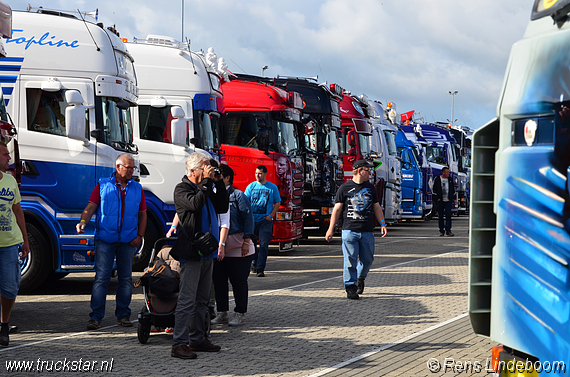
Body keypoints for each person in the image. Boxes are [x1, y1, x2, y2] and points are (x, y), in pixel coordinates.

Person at [76, 154, 147, 330]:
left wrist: (140, 235)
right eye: (128, 168)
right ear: (118, 167)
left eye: (133, 168)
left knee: (126, 279)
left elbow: (143, 213)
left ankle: (123, 315)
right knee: (102, 278)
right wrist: (83, 221)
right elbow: (90, 206)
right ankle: (96, 317)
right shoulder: (103, 185)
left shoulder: (137, 188)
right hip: (105, 240)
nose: (131, 171)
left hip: (128, 242)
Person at [169, 153, 229, 360]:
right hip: (192, 253)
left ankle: (197, 338)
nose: (209, 170)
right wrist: (205, 183)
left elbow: (222, 206)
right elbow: (195, 205)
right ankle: (179, 343)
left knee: (202, 300)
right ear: (194, 170)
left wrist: (218, 183)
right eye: (205, 167)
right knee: (187, 300)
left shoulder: (206, 188)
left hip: (208, 252)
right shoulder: (182, 189)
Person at [325, 160, 387, 300]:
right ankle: (350, 287)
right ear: (359, 171)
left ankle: (360, 278)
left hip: (367, 230)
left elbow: (376, 207)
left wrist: (382, 223)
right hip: (349, 230)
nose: (370, 173)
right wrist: (331, 229)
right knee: (350, 260)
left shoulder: (370, 188)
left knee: (368, 260)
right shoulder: (344, 188)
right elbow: (337, 210)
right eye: (367, 170)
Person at [211, 164, 255, 326]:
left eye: (219, 175)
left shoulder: (238, 196)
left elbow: (248, 219)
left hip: (238, 247)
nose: (215, 178)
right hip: (220, 248)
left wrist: (246, 241)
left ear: (227, 177)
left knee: (238, 281)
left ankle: (240, 313)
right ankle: (222, 312)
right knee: (219, 281)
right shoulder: (214, 194)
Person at [0, 144, 29, 346]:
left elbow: (18, 211)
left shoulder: (10, 180)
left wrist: (26, 240)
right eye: (5, 154)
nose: (9, 157)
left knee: (10, 288)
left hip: (10, 243)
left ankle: (4, 324)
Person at [245, 165, 281, 277]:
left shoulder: (272, 187)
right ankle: (254, 262)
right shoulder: (251, 187)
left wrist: (271, 215)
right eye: (256, 173)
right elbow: (245, 202)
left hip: (265, 221)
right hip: (253, 221)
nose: (257, 175)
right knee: (252, 244)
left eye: (260, 173)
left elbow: (278, 203)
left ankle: (260, 268)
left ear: (265, 174)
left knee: (264, 245)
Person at [432, 166, 456, 237]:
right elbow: (434, 190)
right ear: (443, 172)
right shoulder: (437, 179)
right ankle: (441, 230)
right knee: (440, 216)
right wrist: (437, 198)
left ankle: (448, 230)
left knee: (448, 215)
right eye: (447, 172)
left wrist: (454, 199)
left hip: (448, 200)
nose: (449, 173)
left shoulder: (450, 179)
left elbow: (453, 190)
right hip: (440, 200)